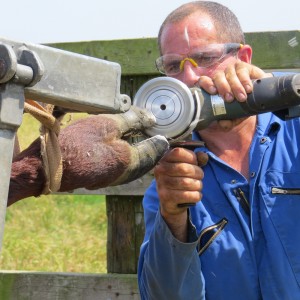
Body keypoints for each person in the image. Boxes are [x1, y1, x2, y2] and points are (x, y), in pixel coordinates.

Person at [138, 1, 300, 299]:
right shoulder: (174, 184)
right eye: (174, 66)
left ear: (244, 57)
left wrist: (281, 93)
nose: (189, 78)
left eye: (205, 57)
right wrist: (173, 222)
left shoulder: (294, 130)